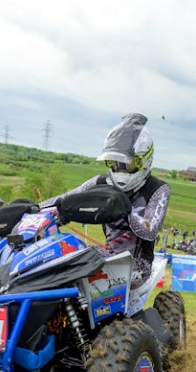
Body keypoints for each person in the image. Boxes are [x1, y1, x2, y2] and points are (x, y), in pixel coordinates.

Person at [41, 113, 170, 289]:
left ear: (144, 160)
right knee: (57, 255)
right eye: (114, 163)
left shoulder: (158, 189)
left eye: (127, 164)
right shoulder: (101, 182)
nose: (119, 169)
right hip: (107, 253)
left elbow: (150, 230)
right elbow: (66, 199)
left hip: (137, 266)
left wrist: (125, 210)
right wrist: (34, 209)